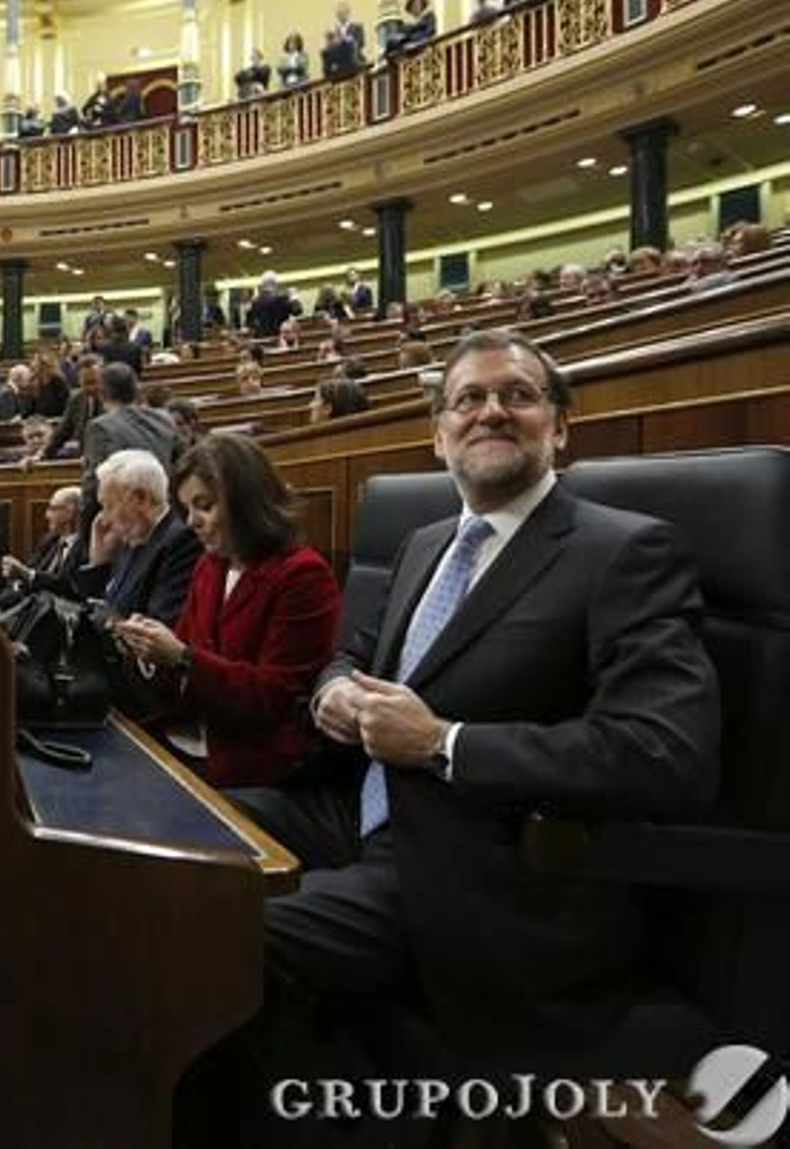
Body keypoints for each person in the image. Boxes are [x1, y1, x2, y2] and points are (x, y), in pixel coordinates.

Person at [184, 329, 720, 1146]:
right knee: (166, 841)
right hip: (354, 813)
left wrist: (444, 742)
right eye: (467, 398)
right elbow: (351, 657)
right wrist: (331, 690)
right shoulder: (427, 542)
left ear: (560, 428)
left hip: (480, 864)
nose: (491, 411)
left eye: (518, 394)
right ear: (439, 435)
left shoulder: (626, 550)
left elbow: (663, 753)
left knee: (207, 941)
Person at [112, 436, 340, 788]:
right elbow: (180, 672)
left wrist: (183, 658)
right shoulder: (210, 567)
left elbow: (277, 697)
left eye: (204, 505)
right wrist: (150, 653)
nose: (191, 521)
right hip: (185, 738)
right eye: (187, 509)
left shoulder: (302, 575)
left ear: (246, 501)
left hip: (253, 760)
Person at [72, 449, 199, 626]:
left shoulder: (181, 542)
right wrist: (99, 562)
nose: (104, 520)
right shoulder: (133, 538)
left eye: (109, 505)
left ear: (141, 498)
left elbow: (158, 629)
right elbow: (90, 607)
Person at [78, 362, 178, 525]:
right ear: (136, 390)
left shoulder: (100, 427)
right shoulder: (163, 419)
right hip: (165, 517)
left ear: (101, 394)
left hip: (127, 523)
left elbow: (93, 487)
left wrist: (84, 535)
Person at [0, 485, 84, 602]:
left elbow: (67, 586)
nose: (46, 515)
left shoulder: (85, 546)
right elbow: (30, 569)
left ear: (70, 512)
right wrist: (17, 578)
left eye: (52, 509)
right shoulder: (49, 540)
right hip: (30, 605)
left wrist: (25, 573)